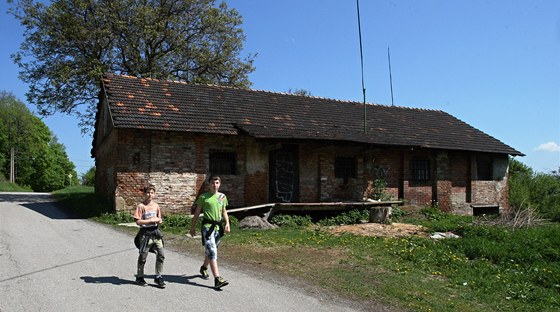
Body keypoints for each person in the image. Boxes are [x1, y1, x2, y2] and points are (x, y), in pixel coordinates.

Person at [189, 175, 231, 289]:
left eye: (217, 182)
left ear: (219, 184)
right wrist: (192, 227)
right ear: (209, 184)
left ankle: (203, 268)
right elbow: (197, 213)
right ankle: (217, 279)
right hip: (207, 228)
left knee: (211, 250)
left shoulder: (222, 197)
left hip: (218, 228)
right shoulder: (204, 197)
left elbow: (224, 211)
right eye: (212, 182)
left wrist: (227, 223)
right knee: (212, 251)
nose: (214, 185)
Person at [133, 184, 166, 288]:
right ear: (144, 194)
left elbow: (159, 218)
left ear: (154, 194)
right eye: (147, 192)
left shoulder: (156, 206)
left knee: (161, 254)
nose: (150, 194)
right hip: (145, 234)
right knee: (143, 256)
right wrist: (150, 221)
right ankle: (140, 277)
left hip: (156, 233)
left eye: (152, 192)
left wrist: (159, 220)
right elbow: (137, 221)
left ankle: (158, 277)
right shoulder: (141, 206)